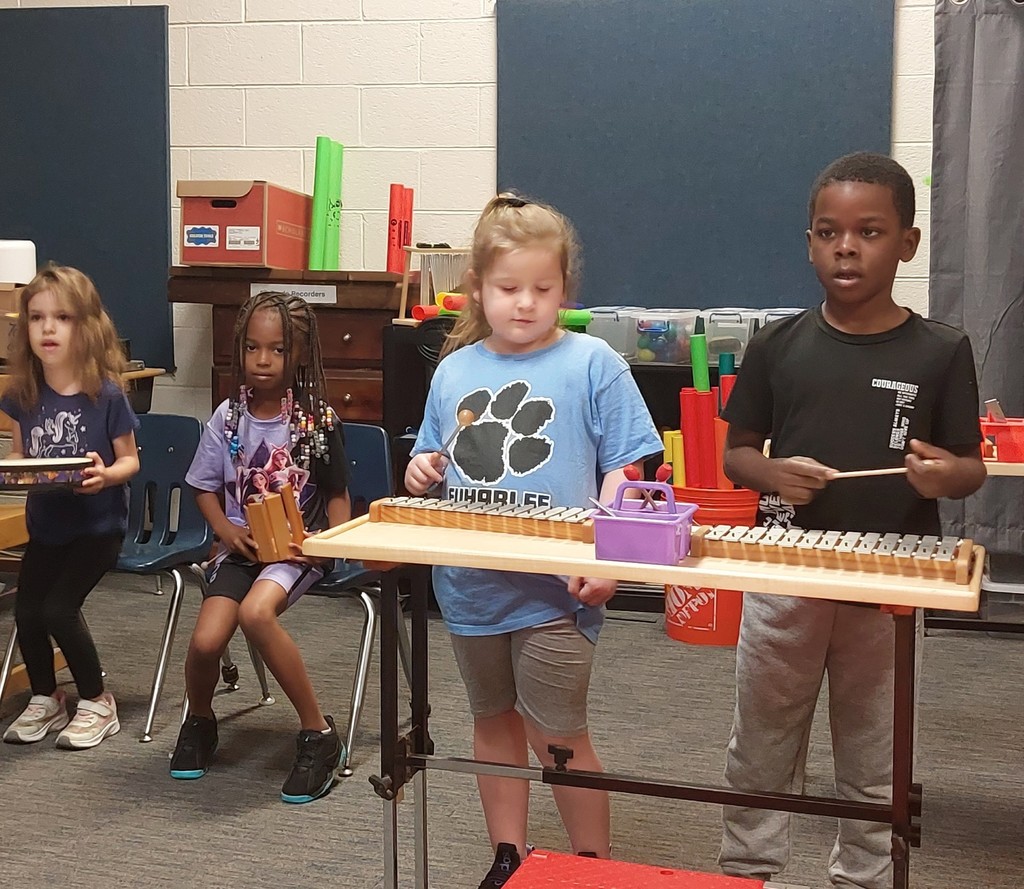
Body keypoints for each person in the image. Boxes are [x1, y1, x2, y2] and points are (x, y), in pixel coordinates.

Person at [718, 152, 986, 888]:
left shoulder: (941, 350)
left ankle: (867, 876)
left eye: (869, 231)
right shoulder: (778, 344)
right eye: (828, 232)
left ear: (907, 241)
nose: (846, 246)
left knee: (875, 754)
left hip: (890, 583)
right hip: (785, 570)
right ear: (808, 241)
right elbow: (736, 453)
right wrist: (772, 473)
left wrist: (944, 473)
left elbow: (971, 464)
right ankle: (748, 871)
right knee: (761, 748)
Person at [405, 194, 662, 888]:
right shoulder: (454, 369)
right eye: (508, 288)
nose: (525, 303)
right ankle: (509, 855)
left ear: (564, 290)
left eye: (542, 289)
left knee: (559, 733)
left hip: (558, 588)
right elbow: (427, 459)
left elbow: (627, 473)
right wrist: (421, 466)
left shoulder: (594, 362)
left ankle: (590, 866)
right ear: (477, 288)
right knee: (492, 718)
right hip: (471, 582)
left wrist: (609, 559)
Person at [171, 291, 351, 804]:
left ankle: (318, 733)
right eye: (252, 349)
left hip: (294, 553)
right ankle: (201, 722)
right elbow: (203, 487)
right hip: (240, 549)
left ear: (297, 355)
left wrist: (327, 546)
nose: (263, 361)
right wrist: (226, 535)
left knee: (256, 615)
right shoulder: (228, 417)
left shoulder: (316, 420)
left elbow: (337, 494)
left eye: (276, 350)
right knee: (206, 642)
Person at [1, 265, 139, 749]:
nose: (48, 328)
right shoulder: (22, 393)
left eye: (62, 317)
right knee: (27, 612)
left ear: (87, 326)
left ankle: (98, 700)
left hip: (97, 527)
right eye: (36, 318)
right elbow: (22, 455)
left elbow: (129, 462)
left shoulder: (106, 394)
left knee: (60, 609)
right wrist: (10, 468)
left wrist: (104, 477)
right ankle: (46, 696)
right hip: (47, 525)